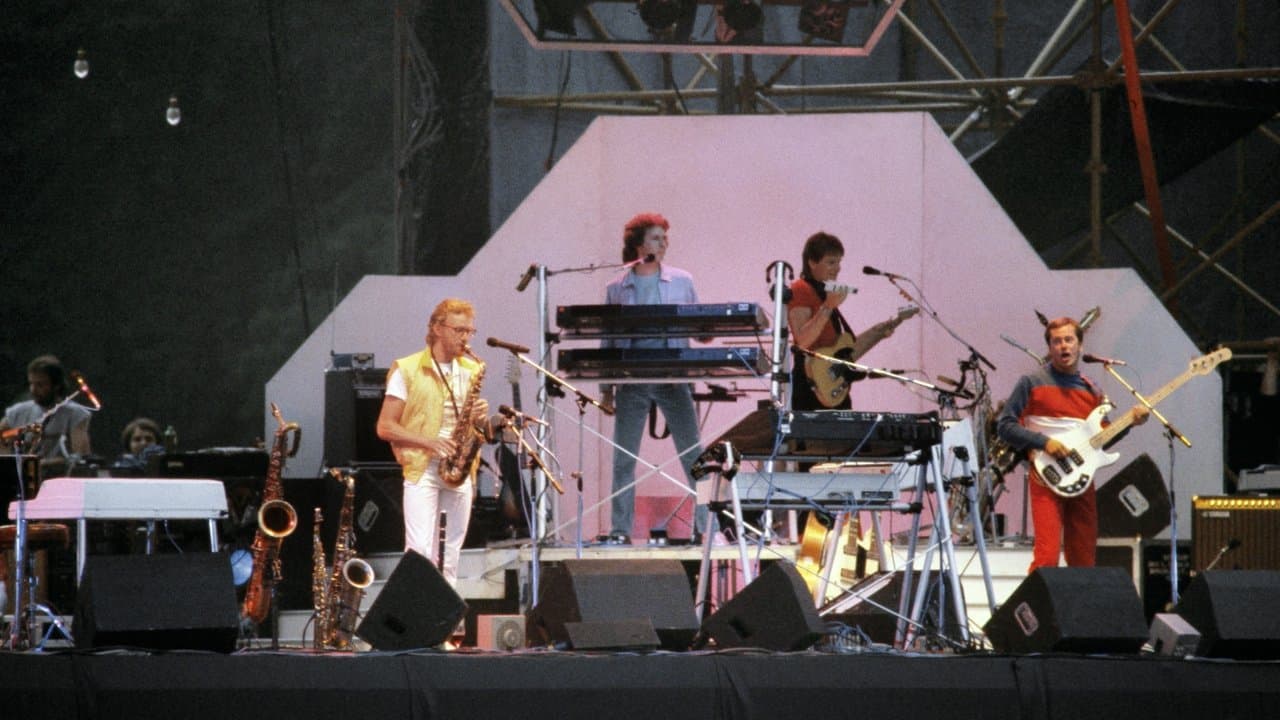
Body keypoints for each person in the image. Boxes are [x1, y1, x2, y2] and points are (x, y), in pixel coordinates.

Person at [996, 316, 1149, 571]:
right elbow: (1005, 426)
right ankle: (1041, 598)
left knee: (1084, 559)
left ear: (1080, 345)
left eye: (1068, 340)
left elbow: (1102, 440)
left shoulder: (1092, 390)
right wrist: (1044, 442)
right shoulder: (1031, 382)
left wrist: (1130, 423)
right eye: (1057, 342)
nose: (1063, 346)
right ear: (1049, 348)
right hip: (1046, 476)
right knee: (1047, 558)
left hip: (1082, 478)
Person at [600, 213, 710, 545]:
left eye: (665, 238)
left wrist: (707, 330)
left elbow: (699, 324)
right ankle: (620, 530)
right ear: (639, 244)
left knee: (694, 455)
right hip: (632, 377)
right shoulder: (617, 286)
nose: (663, 244)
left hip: (672, 373)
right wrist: (607, 389)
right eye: (656, 238)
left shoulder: (682, 280)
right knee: (624, 459)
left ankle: (707, 527)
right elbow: (608, 339)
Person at [376, 298, 492, 589]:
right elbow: (385, 426)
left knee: (451, 555)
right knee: (419, 551)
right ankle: (415, 613)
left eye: (469, 331)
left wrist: (479, 418)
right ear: (438, 328)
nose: (465, 338)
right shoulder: (407, 369)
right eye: (459, 330)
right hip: (423, 467)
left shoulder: (471, 369)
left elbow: (472, 425)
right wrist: (429, 442)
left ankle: (446, 616)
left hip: (459, 467)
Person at [786, 232, 906, 412]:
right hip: (810, 386)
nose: (837, 268)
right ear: (812, 262)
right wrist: (828, 306)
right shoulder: (800, 288)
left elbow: (843, 352)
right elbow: (802, 341)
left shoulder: (825, 293)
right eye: (831, 262)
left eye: (839, 262)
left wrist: (877, 333)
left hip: (831, 385)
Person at [1, 355, 93, 475]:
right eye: (31, 384)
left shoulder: (75, 414)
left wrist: (44, 464)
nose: (33, 390)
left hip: (59, 480)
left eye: (40, 385)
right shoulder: (17, 412)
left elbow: (81, 456)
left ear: (56, 385)